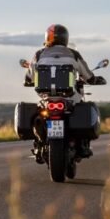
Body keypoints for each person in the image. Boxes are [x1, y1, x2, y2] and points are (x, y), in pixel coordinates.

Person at [25, 23, 96, 160]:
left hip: (46, 97)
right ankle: (83, 146)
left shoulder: (39, 54)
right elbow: (87, 75)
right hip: (70, 97)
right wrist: (93, 79)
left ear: (47, 37)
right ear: (65, 38)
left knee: (38, 114)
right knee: (81, 109)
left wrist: (28, 80)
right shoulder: (73, 54)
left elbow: (29, 76)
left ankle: (39, 144)